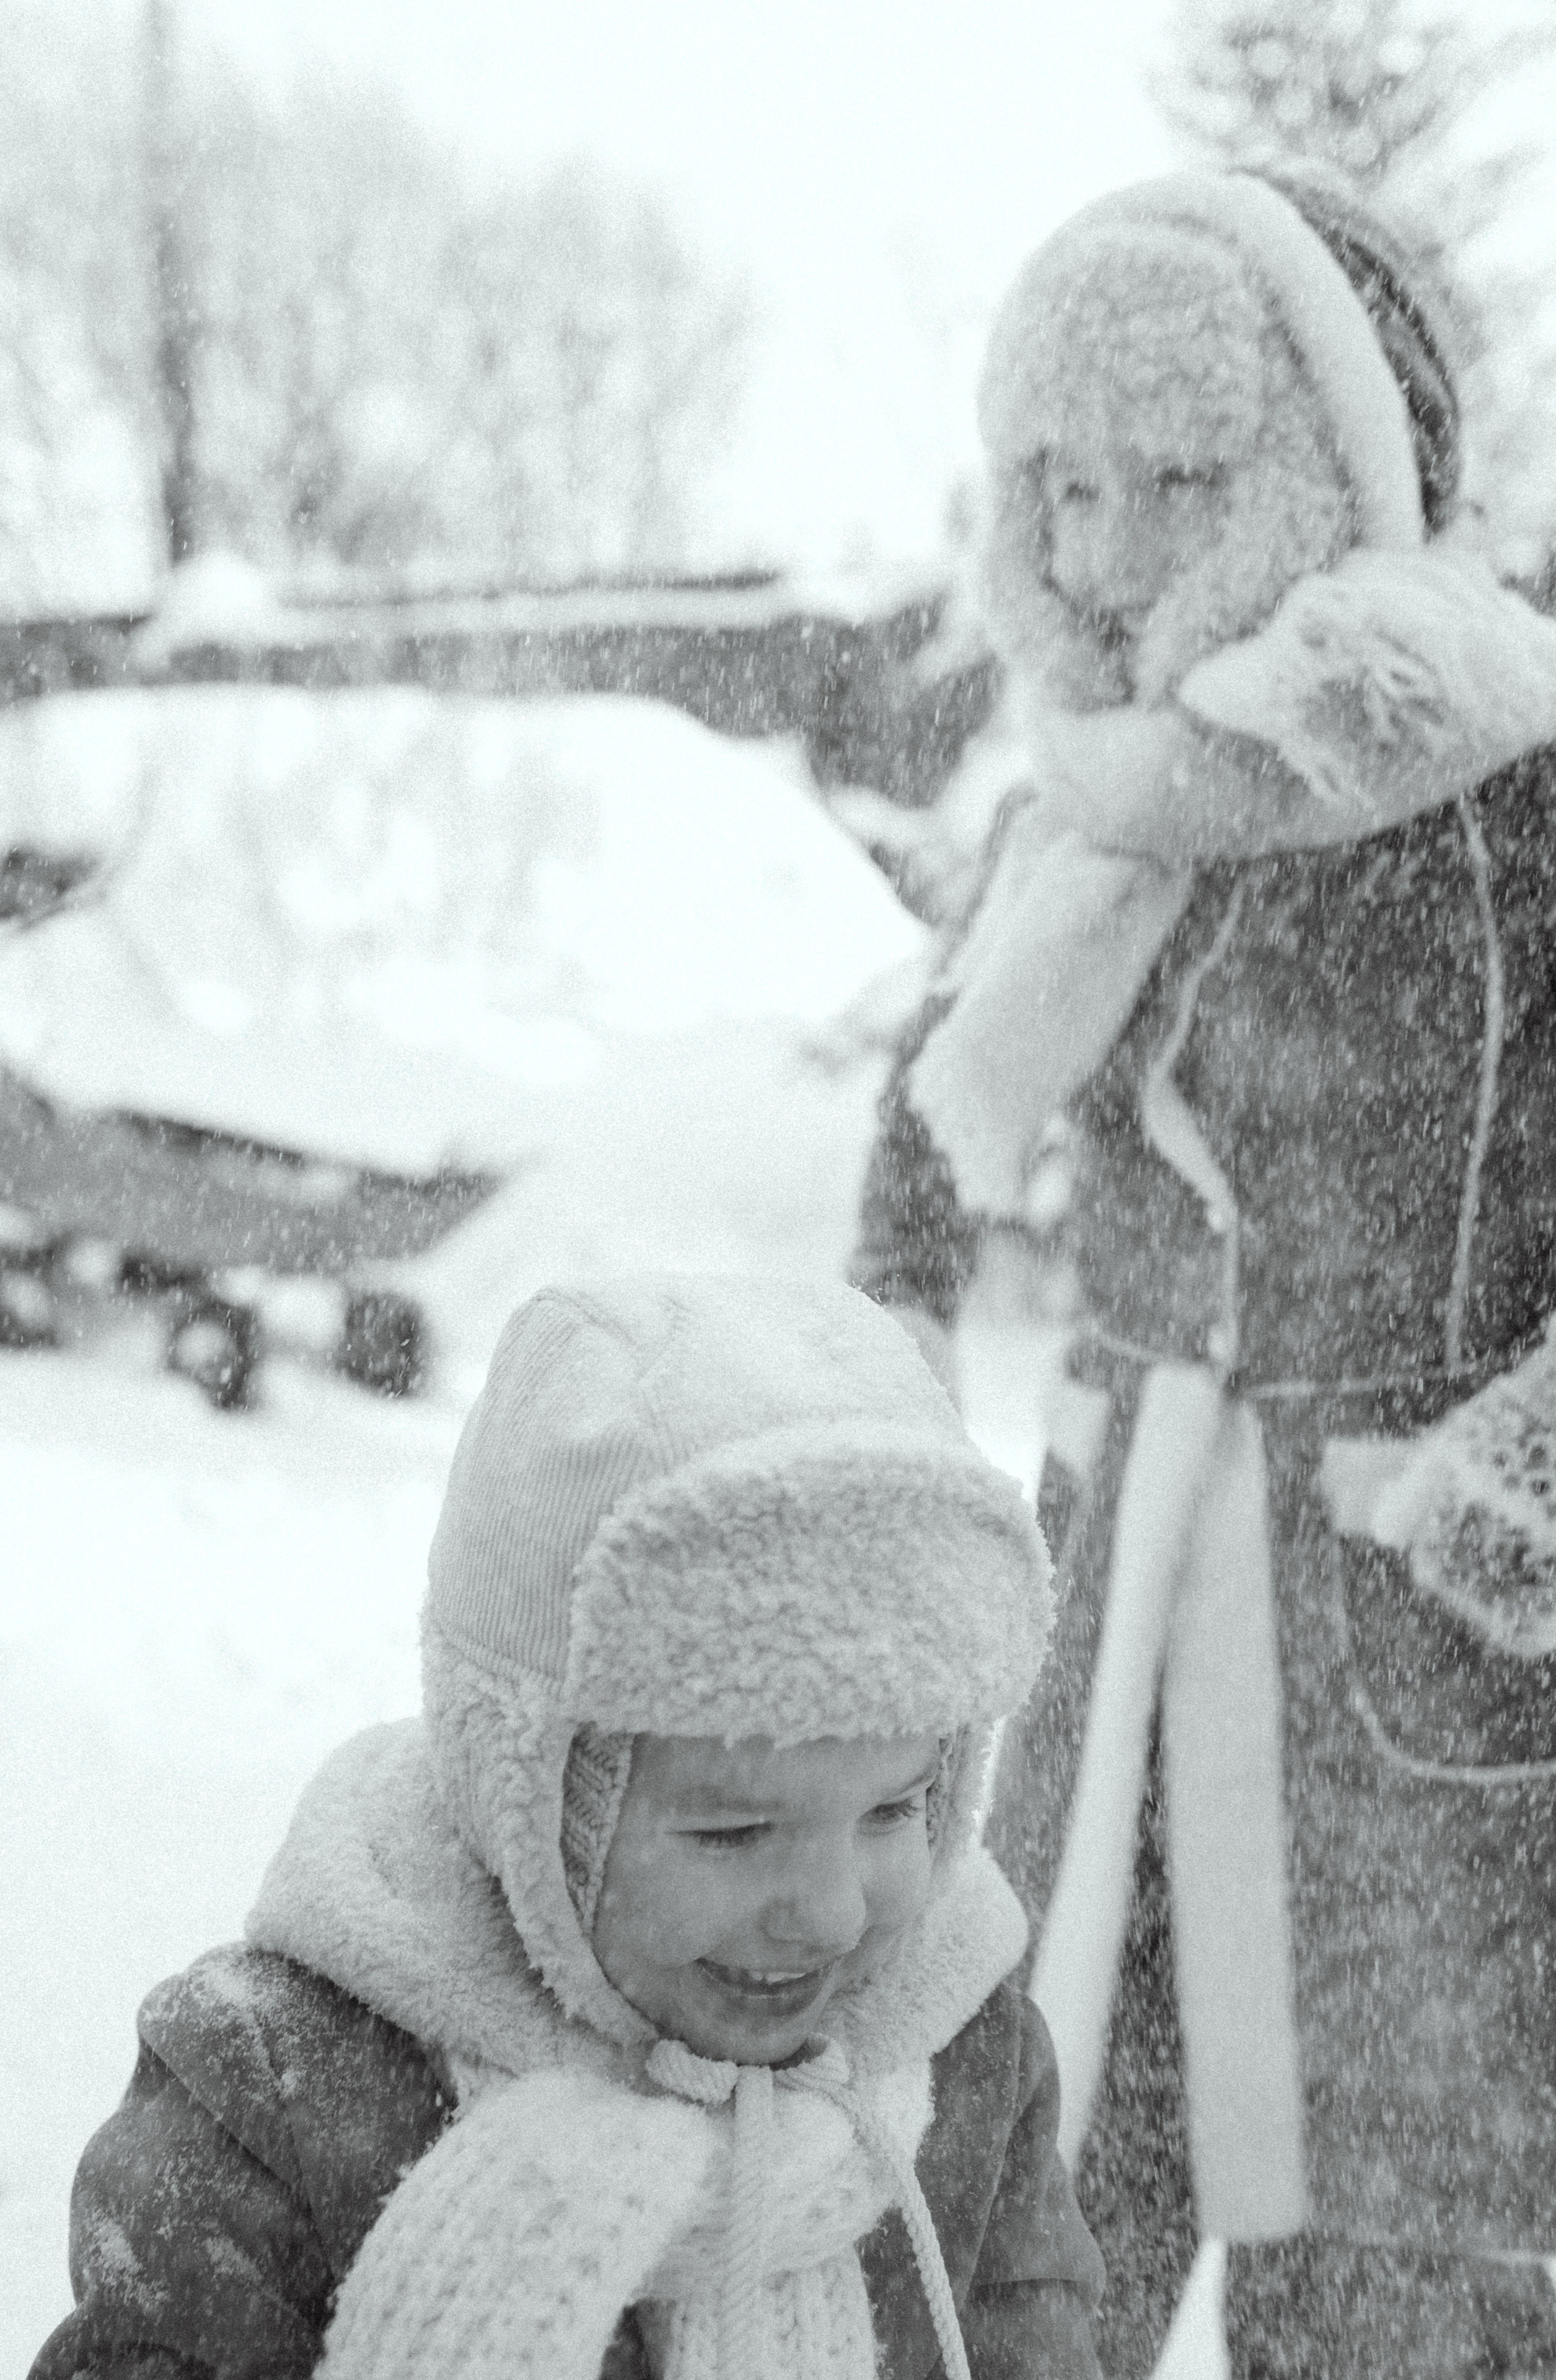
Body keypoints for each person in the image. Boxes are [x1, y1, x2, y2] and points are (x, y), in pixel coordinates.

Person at [851, 167, 1556, 2379]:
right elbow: (907, 1188)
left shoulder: (1509, 812)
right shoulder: (1069, 822)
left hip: (1413, 1688)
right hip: (1098, 1632)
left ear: (1333, 475)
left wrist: (1503, 1500)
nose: (1090, 554)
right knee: (1019, 2188)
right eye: (1055, 485)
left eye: (1168, 480)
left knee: (1411, 2247)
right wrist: (874, 1493)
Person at [31, 1275, 1104, 2380]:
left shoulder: (962, 2064)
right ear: (529, 1793)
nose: (833, 1914)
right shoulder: (289, 2090)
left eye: (896, 1808)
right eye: (734, 1833)